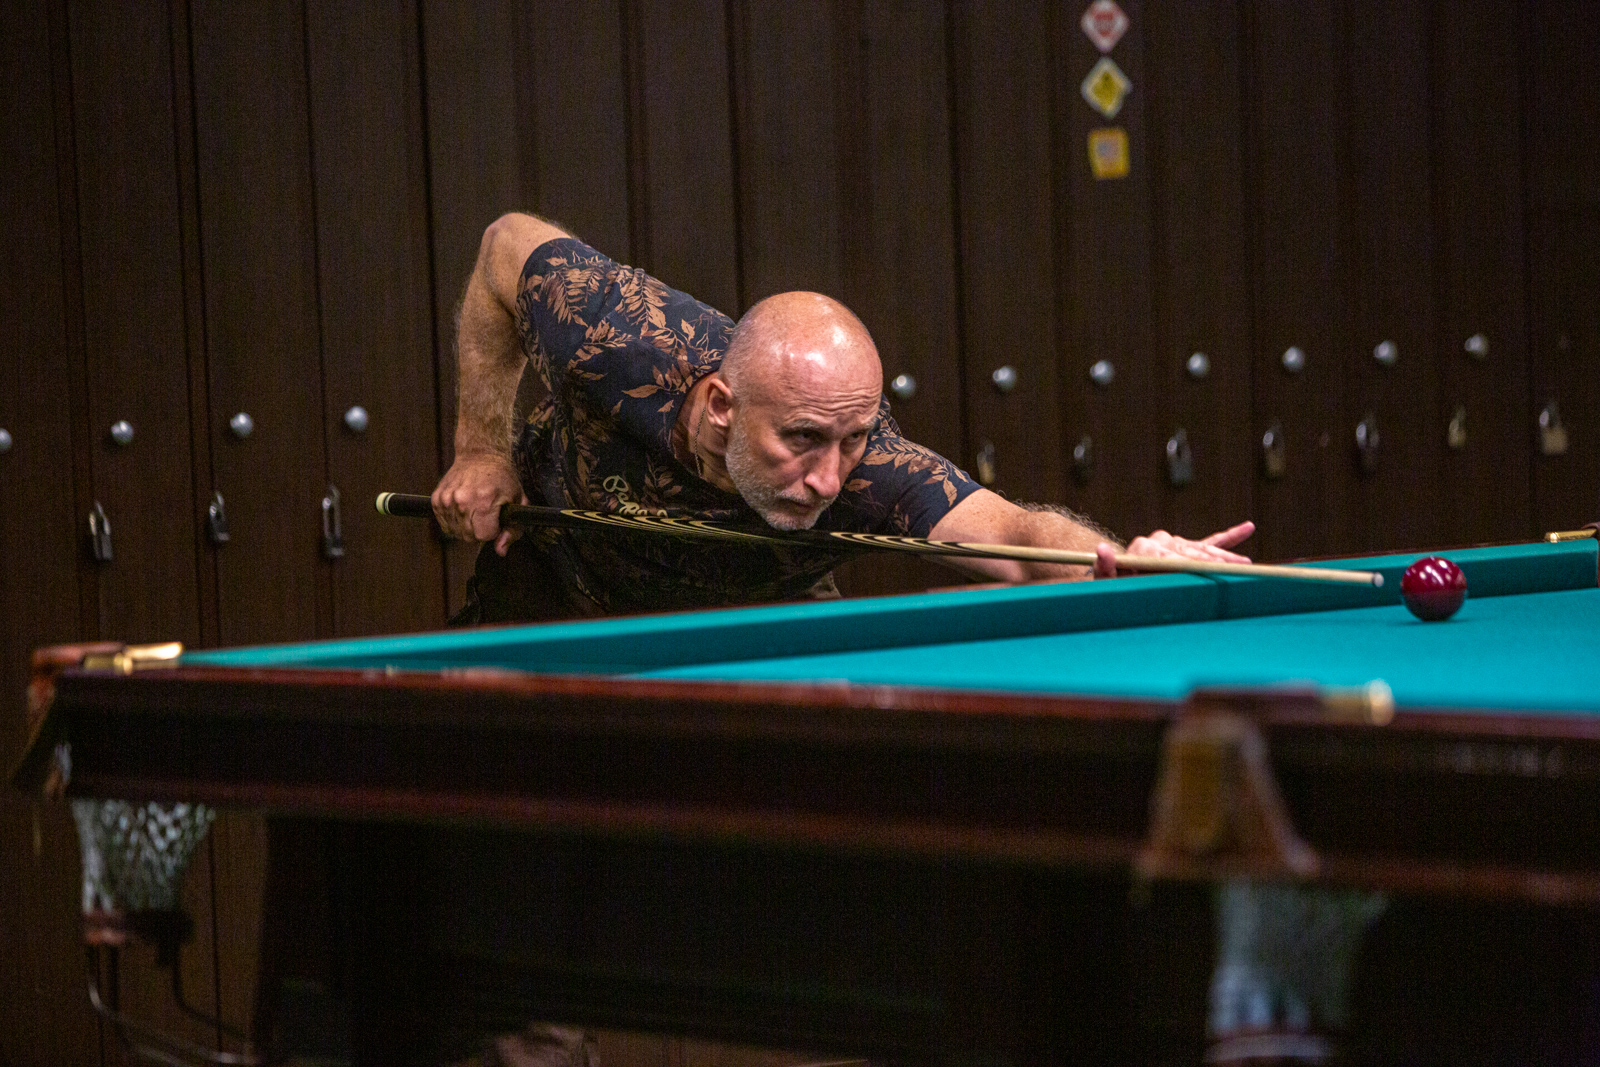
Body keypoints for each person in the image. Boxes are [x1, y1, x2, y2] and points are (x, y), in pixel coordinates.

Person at [432, 211, 1254, 622]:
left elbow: (1017, 537)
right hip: (558, 571)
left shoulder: (869, 473)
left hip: (752, 618)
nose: (828, 478)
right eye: (800, 439)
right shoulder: (620, 336)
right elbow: (505, 245)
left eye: (850, 439)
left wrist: (1122, 561)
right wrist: (481, 450)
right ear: (721, 407)